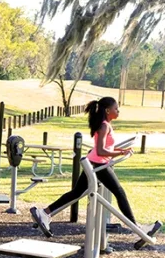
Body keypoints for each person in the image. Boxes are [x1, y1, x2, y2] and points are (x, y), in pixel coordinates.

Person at [30, 97, 137, 237]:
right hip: (99, 164)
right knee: (119, 193)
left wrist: (123, 149)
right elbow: (101, 151)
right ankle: (136, 228)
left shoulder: (105, 124)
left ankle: (44, 213)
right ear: (107, 110)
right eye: (116, 108)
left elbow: (107, 147)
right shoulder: (105, 125)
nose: (118, 111)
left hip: (93, 162)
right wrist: (121, 152)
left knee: (77, 192)